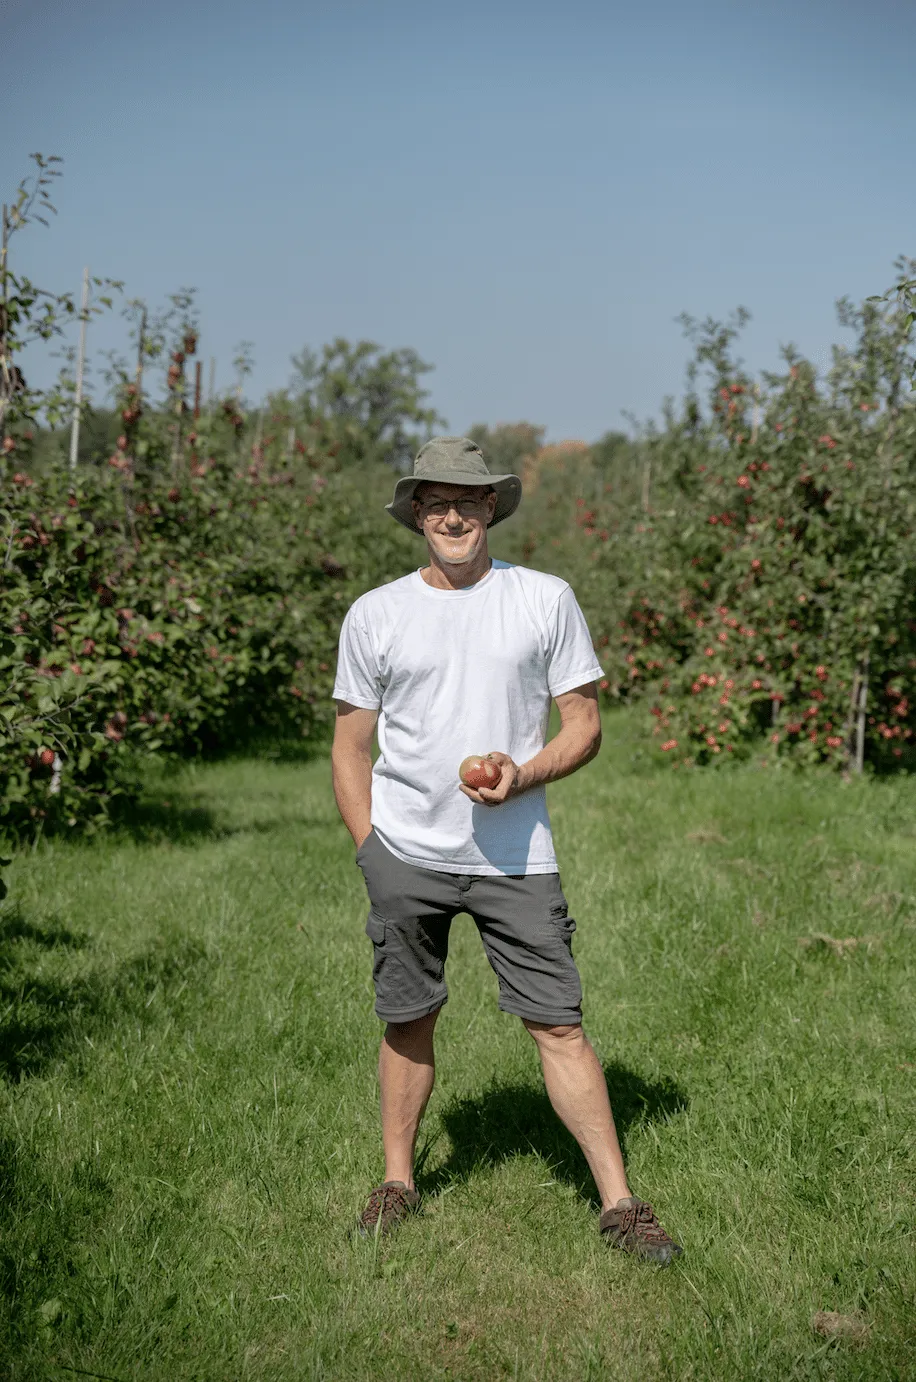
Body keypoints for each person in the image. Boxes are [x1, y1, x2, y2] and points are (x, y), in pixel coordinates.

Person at [331, 435, 681, 1265]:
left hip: (515, 856)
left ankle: (620, 1201)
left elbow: (586, 725)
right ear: (417, 513)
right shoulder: (376, 613)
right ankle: (397, 1183)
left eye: (469, 499)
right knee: (408, 1016)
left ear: (493, 508)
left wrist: (521, 776)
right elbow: (350, 748)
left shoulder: (544, 599)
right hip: (407, 853)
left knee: (558, 1024)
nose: (452, 514)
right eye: (435, 501)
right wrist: (371, 849)